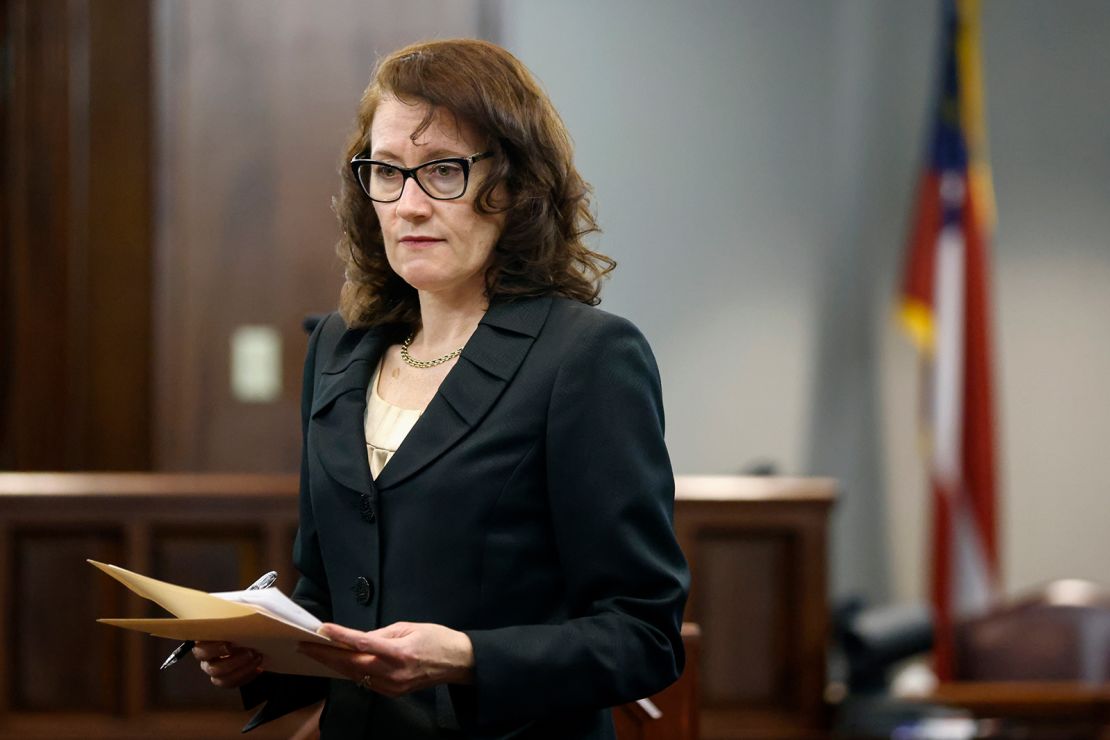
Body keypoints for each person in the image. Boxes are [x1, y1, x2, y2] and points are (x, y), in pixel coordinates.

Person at [192, 38, 689, 739]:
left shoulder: (588, 358)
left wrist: (467, 657)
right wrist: (262, 654)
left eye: (444, 171)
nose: (410, 205)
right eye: (387, 172)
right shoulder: (339, 345)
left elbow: (645, 636)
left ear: (514, 186)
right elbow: (328, 594)